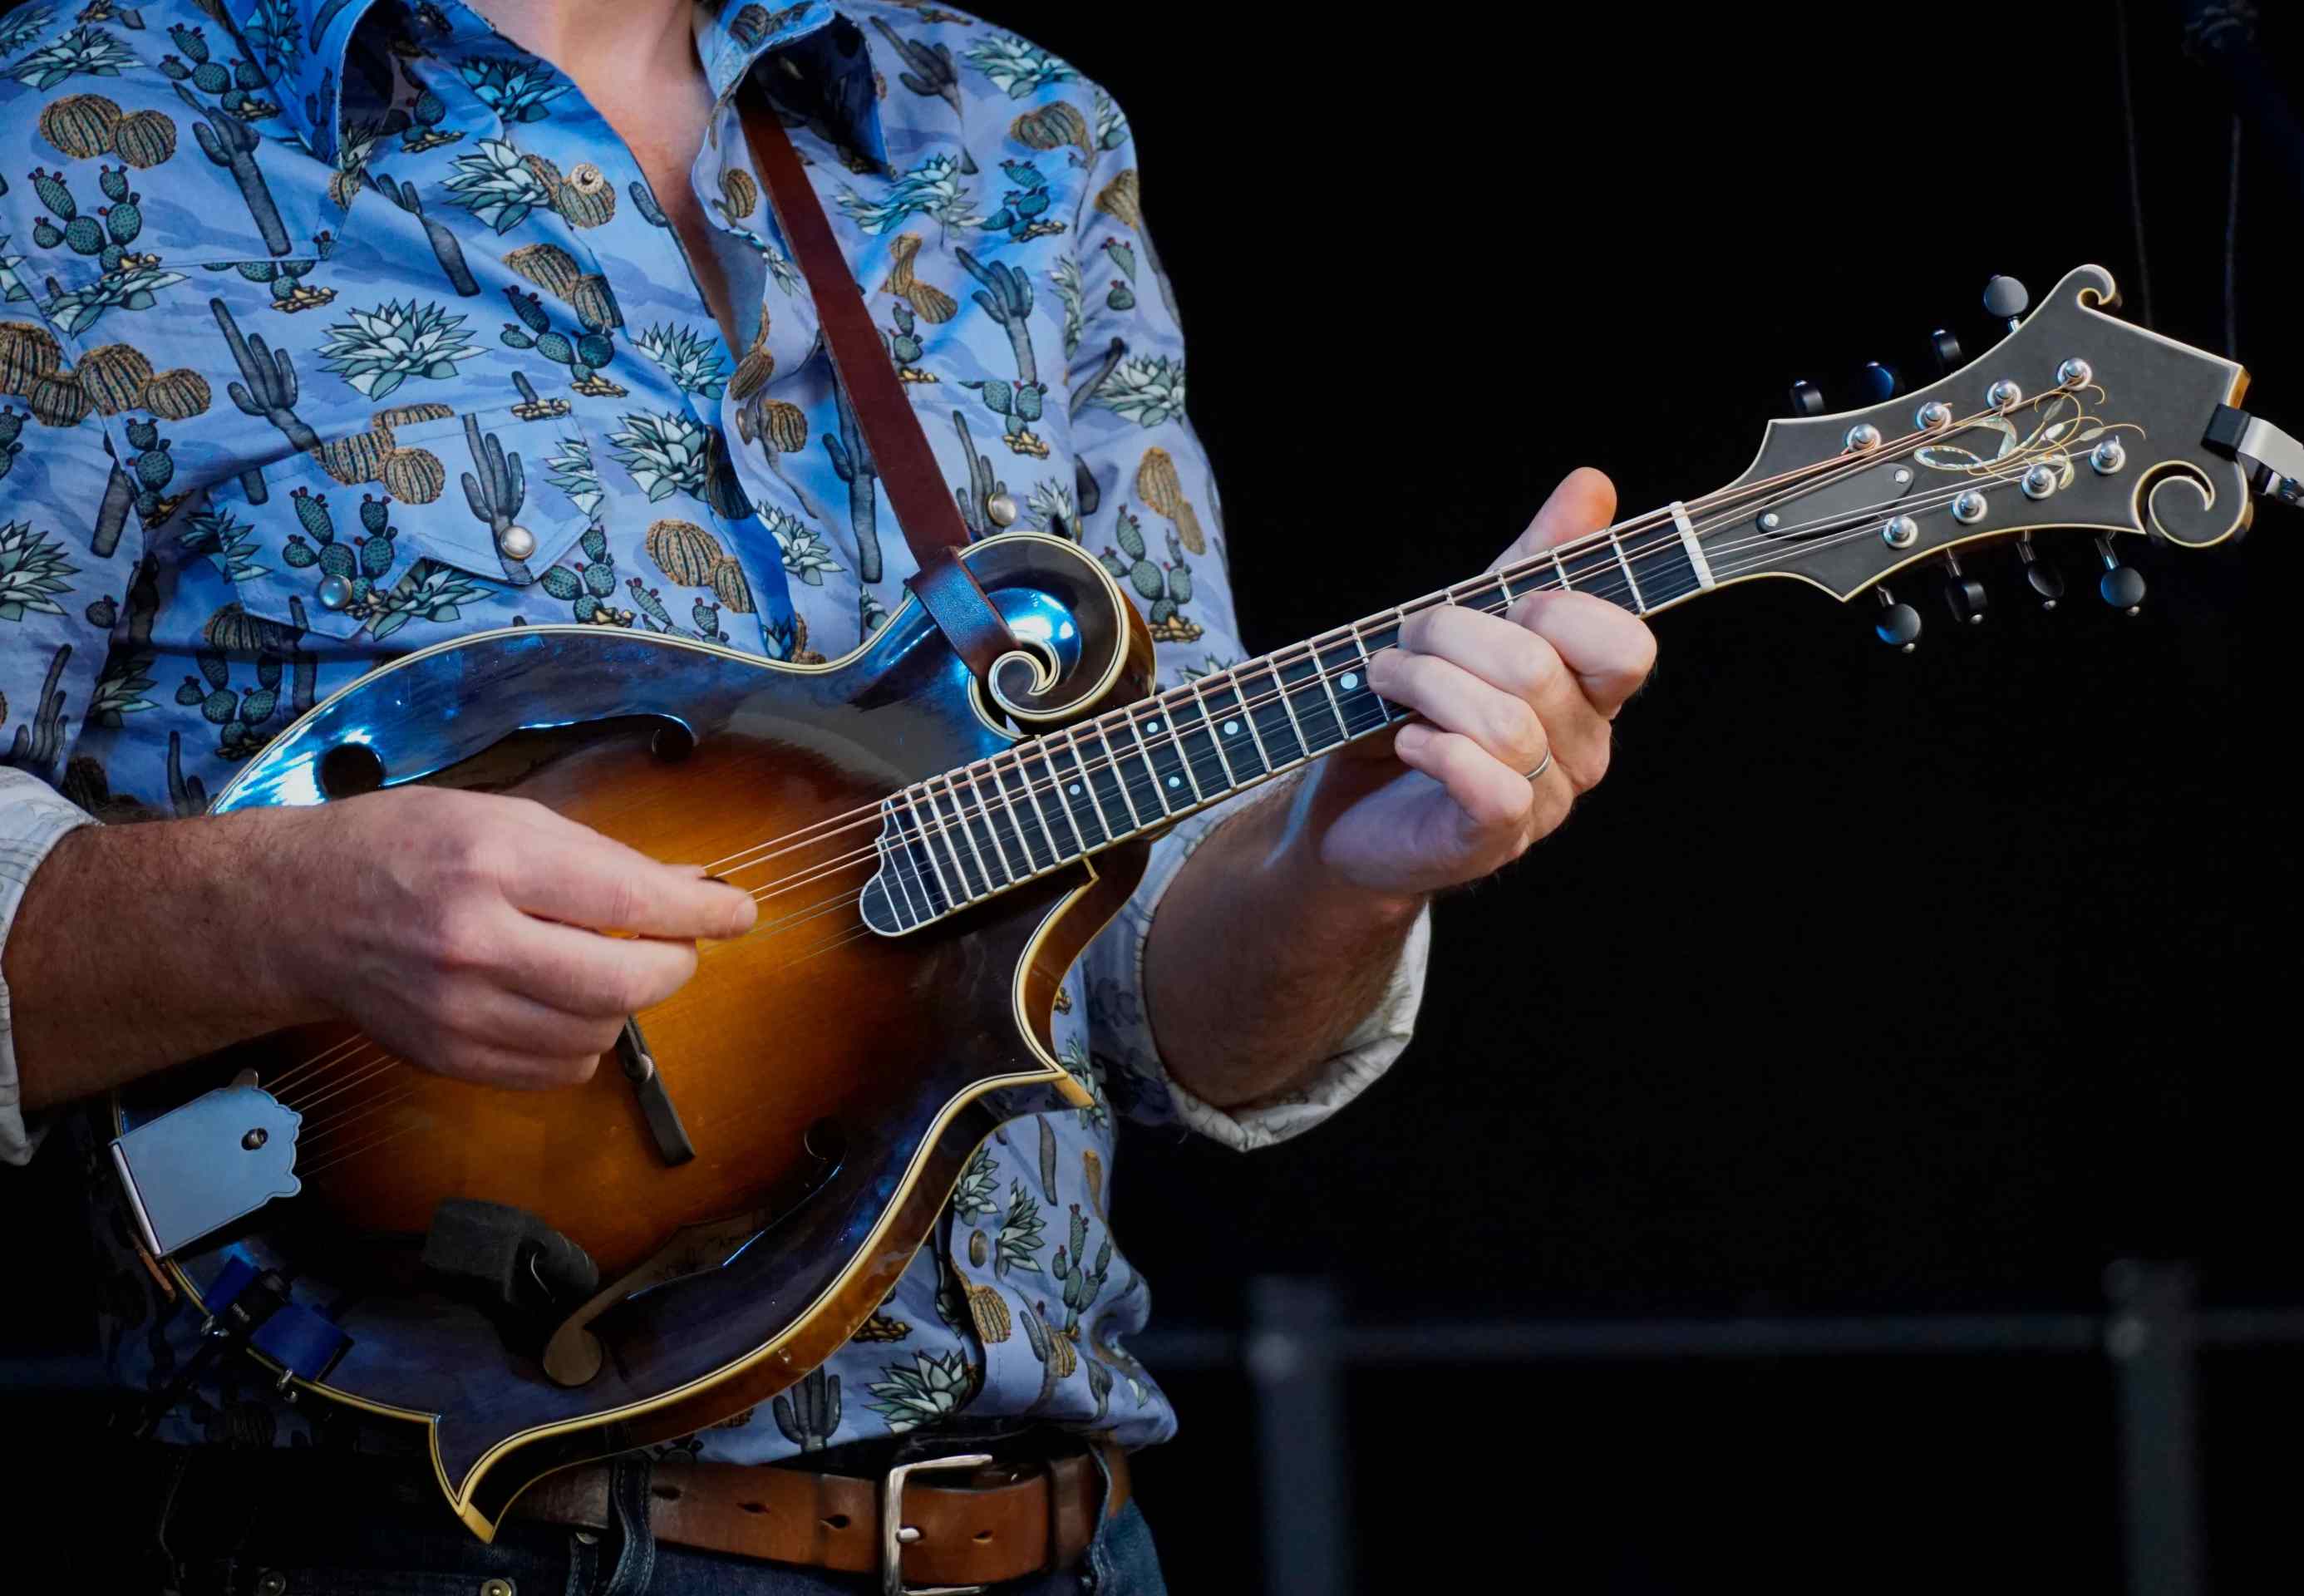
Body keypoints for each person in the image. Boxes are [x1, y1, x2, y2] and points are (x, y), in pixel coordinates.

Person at [0, 1, 1654, 1589]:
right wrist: (285, 918)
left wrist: (1345, 867)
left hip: (1064, 1546)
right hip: (443, 1553)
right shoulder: (81, 132)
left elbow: (1171, 1016)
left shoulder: (1017, 138)